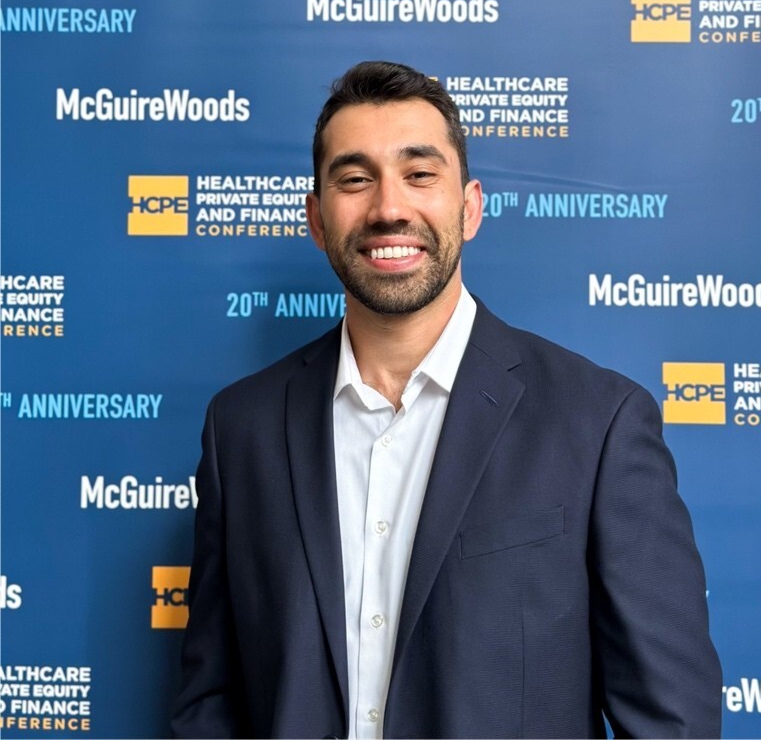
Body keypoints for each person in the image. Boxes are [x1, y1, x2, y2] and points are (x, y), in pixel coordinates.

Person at [172, 61, 722, 739]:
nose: (389, 208)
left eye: (420, 174)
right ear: (316, 218)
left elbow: (671, 722)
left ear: (469, 208)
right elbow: (210, 702)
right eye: (355, 179)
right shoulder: (241, 429)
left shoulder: (598, 425)